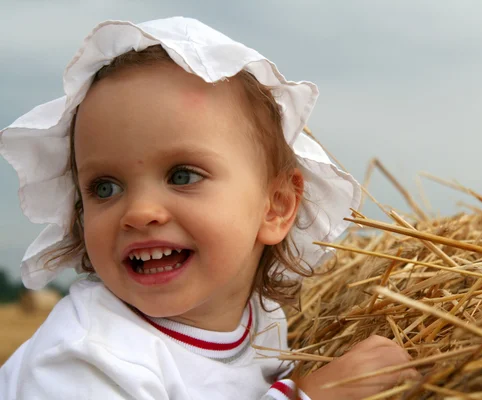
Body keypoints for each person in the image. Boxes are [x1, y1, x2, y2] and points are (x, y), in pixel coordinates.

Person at [0, 17, 418, 399]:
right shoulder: (87, 357)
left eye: (182, 176)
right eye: (104, 187)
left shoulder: (264, 319)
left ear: (276, 207)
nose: (140, 211)